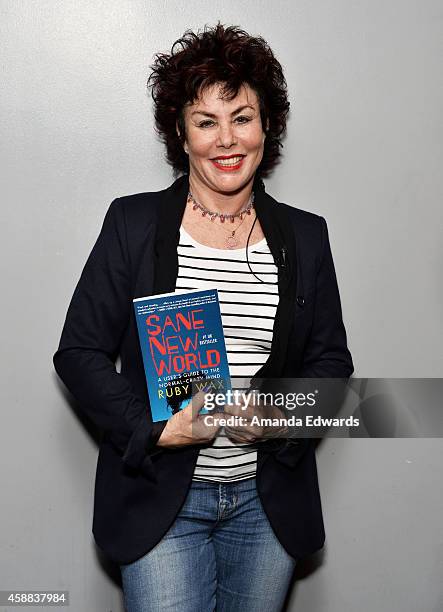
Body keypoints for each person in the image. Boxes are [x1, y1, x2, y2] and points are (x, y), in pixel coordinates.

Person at [53, 23, 353, 612]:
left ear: (267, 125)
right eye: (205, 121)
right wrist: (156, 429)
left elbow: (332, 362)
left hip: (266, 505)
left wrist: (279, 417)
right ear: (180, 132)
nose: (226, 140)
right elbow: (78, 353)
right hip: (161, 501)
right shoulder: (133, 226)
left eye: (241, 117)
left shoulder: (306, 236)